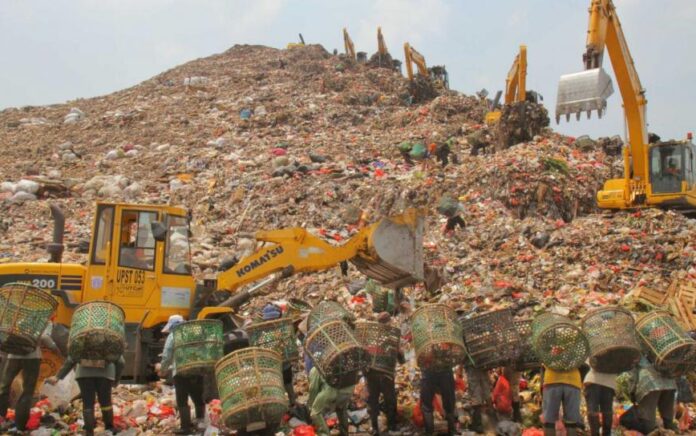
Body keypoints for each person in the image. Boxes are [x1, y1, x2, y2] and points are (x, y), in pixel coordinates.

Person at [47, 352, 125, 436]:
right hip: (105, 374)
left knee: (88, 403)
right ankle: (109, 428)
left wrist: (58, 376)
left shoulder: (81, 339)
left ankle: (89, 432)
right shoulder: (109, 339)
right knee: (106, 403)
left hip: (84, 374)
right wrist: (116, 379)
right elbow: (121, 362)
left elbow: (71, 359)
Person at [0, 323, 60, 432]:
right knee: (27, 391)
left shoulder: (19, 318)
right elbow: (44, 337)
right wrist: (54, 347)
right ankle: (20, 426)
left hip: (13, 356)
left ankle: (1, 418)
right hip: (32, 357)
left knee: (4, 386)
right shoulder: (41, 319)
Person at [159, 314, 206, 435]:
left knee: (182, 399)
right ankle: (200, 422)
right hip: (197, 370)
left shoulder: (173, 335)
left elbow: (167, 353)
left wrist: (163, 368)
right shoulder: (195, 334)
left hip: (180, 372)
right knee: (198, 396)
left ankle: (185, 427)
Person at [365, 312, 404, 435]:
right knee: (390, 400)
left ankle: (375, 427)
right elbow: (401, 357)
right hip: (386, 374)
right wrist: (402, 358)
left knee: (373, 400)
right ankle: (392, 426)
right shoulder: (391, 337)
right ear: (388, 322)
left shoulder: (370, 337)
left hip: (371, 374)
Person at [623, 357, 678, 433]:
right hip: (669, 381)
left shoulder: (639, 358)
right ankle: (672, 430)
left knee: (647, 418)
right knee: (667, 414)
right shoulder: (661, 357)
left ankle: (650, 430)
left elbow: (633, 378)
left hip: (650, 383)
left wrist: (632, 393)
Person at [259, 303, 297, 405]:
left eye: (273, 319)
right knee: (282, 387)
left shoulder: (271, 333)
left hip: (281, 366)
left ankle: (291, 404)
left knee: (287, 386)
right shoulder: (267, 335)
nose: (272, 322)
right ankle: (287, 405)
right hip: (275, 367)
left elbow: (288, 345)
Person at [307, 366, 355, 436]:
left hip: (333, 392)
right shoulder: (340, 363)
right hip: (349, 390)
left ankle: (324, 434)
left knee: (315, 412)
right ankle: (345, 433)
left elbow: (313, 389)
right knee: (341, 408)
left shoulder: (315, 369)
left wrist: (311, 405)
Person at [540, 365, 582, 436]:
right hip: (573, 381)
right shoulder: (576, 353)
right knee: (571, 422)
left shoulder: (548, 353)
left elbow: (543, 362)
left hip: (552, 380)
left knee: (549, 421)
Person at [420, 365, 457, 435]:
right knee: (449, 403)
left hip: (429, 372)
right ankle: (452, 431)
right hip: (445, 371)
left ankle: (429, 432)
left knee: (426, 406)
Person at [583, 366, 617, 436]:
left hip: (593, 380)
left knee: (593, 411)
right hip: (608, 382)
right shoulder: (618, 355)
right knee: (607, 412)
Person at [465, 365, 491, 433]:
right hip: (483, 365)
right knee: (485, 392)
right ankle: (490, 418)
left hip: (472, 367)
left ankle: (478, 425)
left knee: (476, 396)